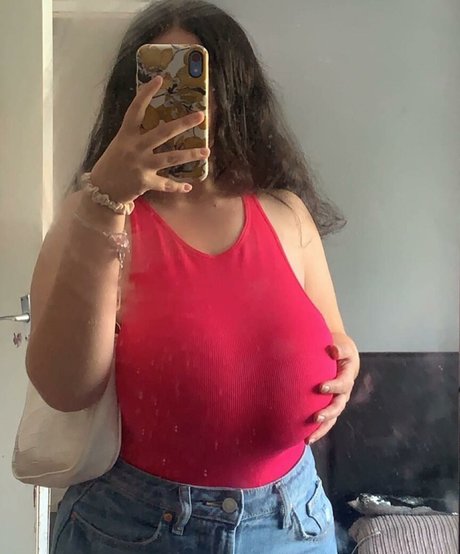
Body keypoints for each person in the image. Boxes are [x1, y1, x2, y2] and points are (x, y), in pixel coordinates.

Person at [26, 1, 360, 552]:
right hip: (136, 529)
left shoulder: (287, 214)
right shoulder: (90, 216)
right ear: (127, 99)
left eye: (193, 79)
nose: (175, 103)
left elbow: (334, 337)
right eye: (154, 82)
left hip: (293, 523)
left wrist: (345, 362)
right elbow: (65, 389)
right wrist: (106, 204)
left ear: (233, 92)